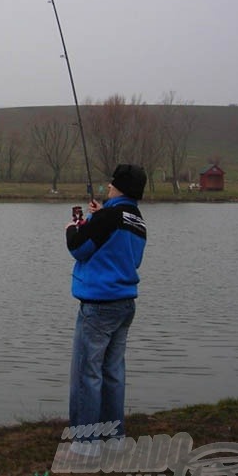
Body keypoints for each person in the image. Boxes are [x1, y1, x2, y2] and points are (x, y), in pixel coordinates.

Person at [65, 164, 147, 449]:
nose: (108, 188)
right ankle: (114, 438)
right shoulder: (137, 219)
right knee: (113, 372)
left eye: (112, 185)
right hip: (125, 304)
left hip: (98, 307)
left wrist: (73, 228)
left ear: (119, 187)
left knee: (86, 373)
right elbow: (127, 257)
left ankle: (85, 443)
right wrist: (96, 216)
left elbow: (78, 247)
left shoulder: (109, 217)